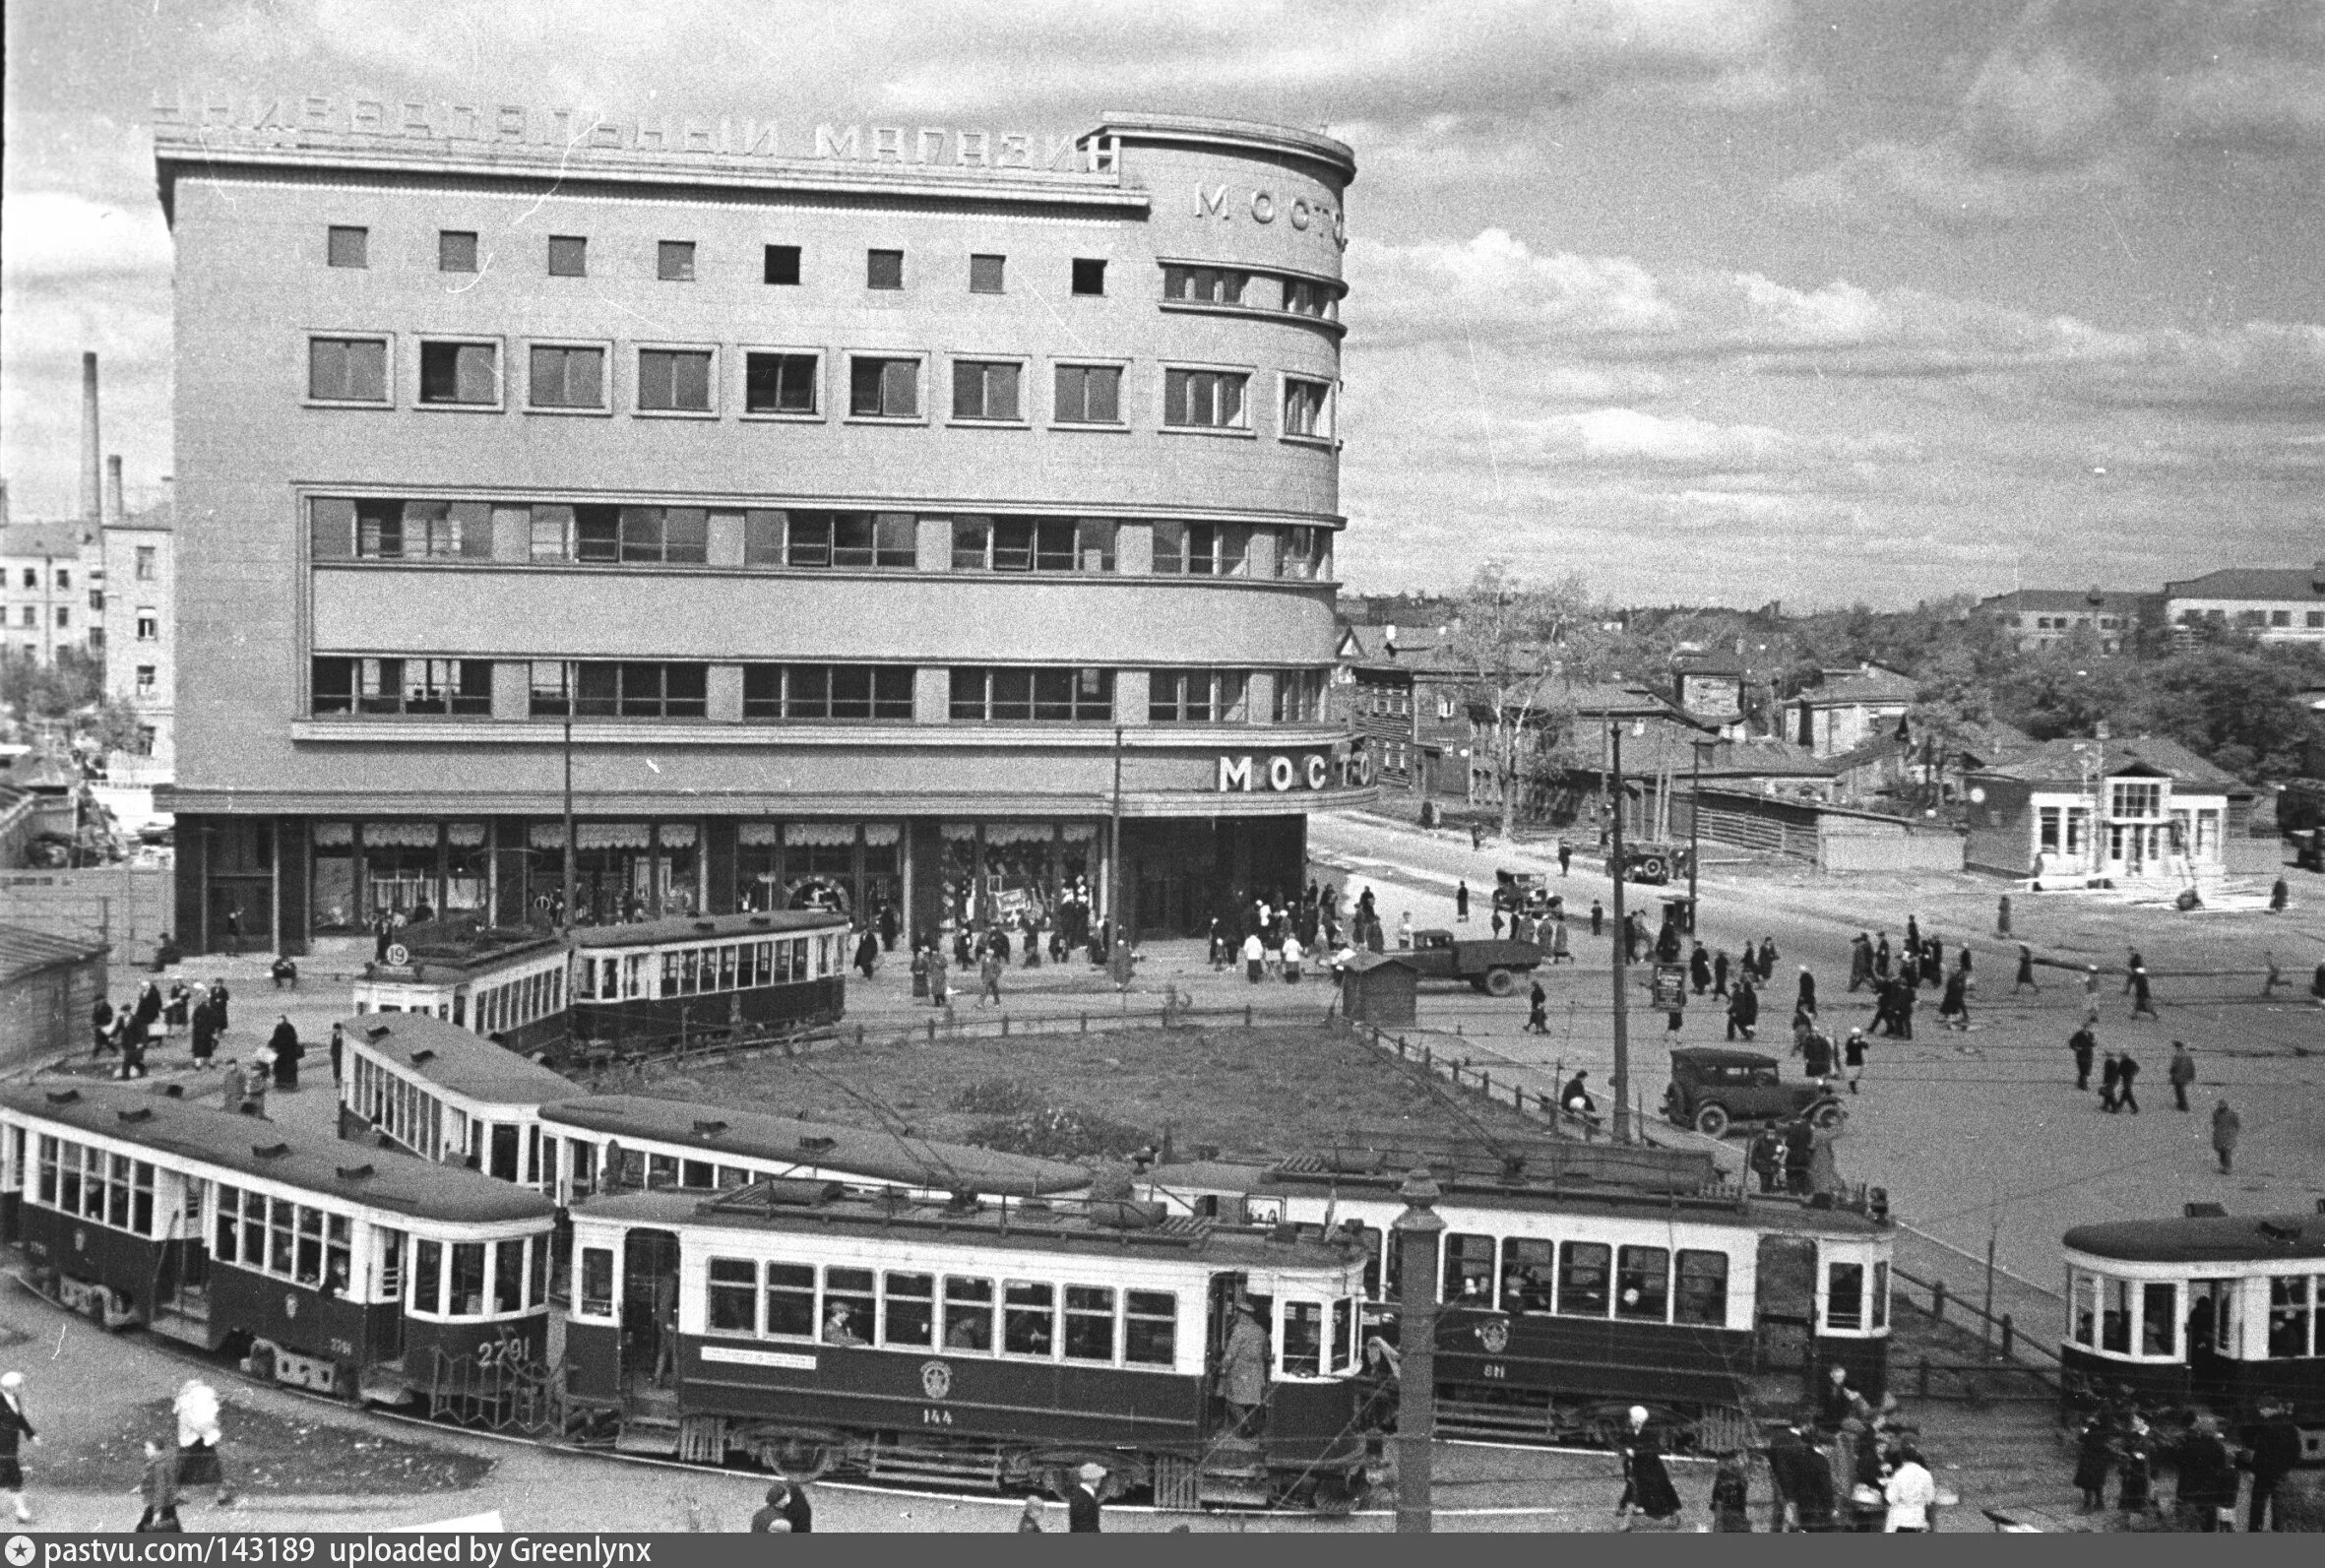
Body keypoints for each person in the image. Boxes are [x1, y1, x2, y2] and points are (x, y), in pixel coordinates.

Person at [1615, 1406, 1681, 1530]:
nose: (1630, 1420)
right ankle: (1626, 1524)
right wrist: (1626, 1450)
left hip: (1651, 1470)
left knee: (1658, 1495)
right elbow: (1620, 1443)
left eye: (1632, 1418)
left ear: (1638, 1420)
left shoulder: (1649, 1432)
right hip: (1636, 1468)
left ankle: (1674, 1515)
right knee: (1633, 1493)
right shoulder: (1630, 1430)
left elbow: (1653, 1449)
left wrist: (1635, 1451)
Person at [2246, 1400, 2302, 1531]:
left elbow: (2261, 1451)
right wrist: (2286, 1467)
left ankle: (2255, 1531)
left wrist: (2253, 1469)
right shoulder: (2289, 1426)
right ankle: (2278, 1531)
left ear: (2269, 1409)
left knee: (2257, 1507)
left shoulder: (2267, 1426)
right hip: (2281, 1472)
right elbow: (2296, 1451)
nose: (2260, 1413)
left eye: (2261, 1409)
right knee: (2279, 1506)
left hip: (2263, 1473)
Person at [1222, 1301, 1270, 1436]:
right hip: (1257, 1372)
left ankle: (1245, 1426)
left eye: (1238, 1313)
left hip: (1240, 1371)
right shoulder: (1261, 1330)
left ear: (1243, 1314)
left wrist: (1223, 1368)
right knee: (1252, 1402)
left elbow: (1231, 1353)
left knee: (1231, 1401)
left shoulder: (1240, 1329)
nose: (1237, 1316)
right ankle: (1254, 1428)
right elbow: (1266, 1353)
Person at [0, 1371, 37, 1523]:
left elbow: (19, 1418)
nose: (21, 1388)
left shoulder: (13, 1398)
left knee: (4, 1478)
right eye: (19, 1385)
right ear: (11, 1387)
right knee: (15, 1478)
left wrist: (31, 1434)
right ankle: (22, 1513)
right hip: (2, 1447)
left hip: (10, 1446)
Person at [1881, 1441, 1936, 1532]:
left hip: (1900, 1520)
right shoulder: (1925, 1474)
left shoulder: (1899, 1475)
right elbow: (1930, 1498)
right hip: (1918, 1518)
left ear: (1902, 1458)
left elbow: (1890, 1498)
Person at [136, 1439, 182, 1533]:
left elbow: (160, 1488)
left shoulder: (159, 1464)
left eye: (148, 1448)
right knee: (174, 1529)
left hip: (161, 1504)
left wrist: (157, 1511)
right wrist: (142, 1488)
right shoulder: (161, 1461)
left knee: (141, 1529)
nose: (146, 1450)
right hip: (166, 1502)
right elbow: (158, 1482)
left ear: (156, 1449)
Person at [2071, 1414, 2112, 1512]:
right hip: (2094, 1455)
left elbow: (2092, 1440)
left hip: (2094, 1456)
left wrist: (2086, 1432)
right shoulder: (2095, 1424)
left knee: (2089, 1480)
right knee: (2096, 1480)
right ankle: (2099, 1503)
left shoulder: (2102, 1426)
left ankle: (2088, 1505)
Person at [1711, 1450, 1752, 1532]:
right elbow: (1718, 1503)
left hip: (1734, 1518)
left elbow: (1718, 1503)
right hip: (1731, 1519)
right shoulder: (1725, 1479)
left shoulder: (1735, 1480)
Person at [267, 1016, 301, 1091]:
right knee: (290, 1069)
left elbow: (275, 1039)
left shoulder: (279, 1028)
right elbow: (294, 1038)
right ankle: (291, 1085)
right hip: (290, 1053)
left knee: (281, 1068)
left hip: (281, 1053)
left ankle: (281, 1084)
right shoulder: (290, 1027)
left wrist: (270, 1045)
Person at [1069, 1462, 1105, 1533]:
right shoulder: (1082, 1497)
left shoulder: (1081, 1494)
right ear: (1092, 1479)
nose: (1100, 1480)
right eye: (1099, 1477)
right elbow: (1084, 1526)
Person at [2211, 1098, 2240, 1173]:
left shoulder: (2230, 1114)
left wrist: (2233, 1132)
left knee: (2226, 1152)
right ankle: (2224, 1167)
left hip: (2227, 1136)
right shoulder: (2216, 1113)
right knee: (2222, 1152)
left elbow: (2236, 1124)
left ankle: (2228, 1167)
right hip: (2220, 1136)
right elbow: (2215, 1123)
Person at [2167, 1041, 2196, 1111]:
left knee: (2179, 1091)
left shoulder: (2178, 1055)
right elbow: (2191, 1066)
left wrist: (2171, 1072)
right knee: (2180, 1090)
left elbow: (2175, 1066)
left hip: (2179, 1076)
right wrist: (2192, 1075)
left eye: (2176, 1047)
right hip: (2185, 1075)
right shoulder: (2187, 1055)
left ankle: (2183, 1105)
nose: (2175, 1048)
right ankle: (2182, 1104)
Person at [1937, 967, 1970, 1031]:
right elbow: (1955, 988)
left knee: (1953, 1005)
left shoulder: (1958, 979)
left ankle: (1950, 1016)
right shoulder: (1956, 979)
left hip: (1954, 996)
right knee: (1957, 1005)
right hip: (1954, 996)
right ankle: (1963, 1017)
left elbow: (1961, 988)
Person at [2068, 1025, 2096, 1090]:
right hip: (2081, 1054)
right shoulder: (2078, 1034)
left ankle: (2080, 1084)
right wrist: (2076, 1047)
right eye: (2085, 1028)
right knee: (2083, 1070)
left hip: (2089, 1054)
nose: (2086, 1029)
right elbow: (2072, 1042)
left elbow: (2093, 1043)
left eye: (2088, 1027)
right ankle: (2084, 1086)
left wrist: (2094, 1043)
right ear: (2083, 1028)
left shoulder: (2091, 1034)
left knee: (2087, 1069)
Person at [2115, 1049, 2141, 1114]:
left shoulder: (2122, 1062)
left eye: (2122, 1056)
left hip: (2126, 1079)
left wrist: (2122, 1073)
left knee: (2128, 1094)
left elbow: (2118, 1071)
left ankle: (2135, 1108)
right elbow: (2137, 1068)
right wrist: (2133, 1073)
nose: (2121, 1057)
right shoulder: (2131, 1061)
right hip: (2129, 1079)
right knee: (2125, 1093)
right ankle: (2119, 1106)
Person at [1842, 1028, 1866, 1094]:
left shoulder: (1860, 1040)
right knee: (1851, 1075)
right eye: (1855, 1033)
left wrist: (1859, 1042)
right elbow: (1847, 1049)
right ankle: (1853, 1087)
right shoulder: (1850, 1040)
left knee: (1858, 1074)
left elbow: (1866, 1046)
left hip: (1858, 1060)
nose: (1856, 1034)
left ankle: (1852, 1085)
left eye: (1857, 1033)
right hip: (1851, 1060)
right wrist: (1854, 1044)